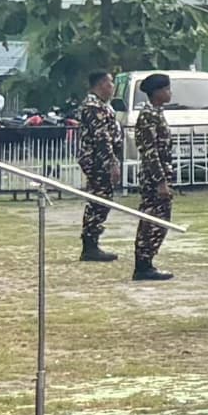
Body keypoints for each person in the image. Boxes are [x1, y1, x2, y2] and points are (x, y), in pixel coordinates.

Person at [125, 73, 177, 281]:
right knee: (152, 221)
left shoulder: (156, 112)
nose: (169, 92)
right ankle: (143, 264)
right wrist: (160, 182)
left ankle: (147, 261)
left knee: (160, 220)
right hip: (154, 178)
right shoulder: (148, 115)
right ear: (156, 93)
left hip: (160, 173)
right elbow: (150, 151)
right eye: (166, 89)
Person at [68, 78, 125, 261]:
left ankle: (92, 243)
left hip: (100, 159)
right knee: (99, 201)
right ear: (100, 85)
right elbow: (102, 138)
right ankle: (90, 245)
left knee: (102, 200)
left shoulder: (101, 105)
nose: (112, 88)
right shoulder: (93, 107)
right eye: (110, 84)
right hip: (97, 160)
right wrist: (111, 163)